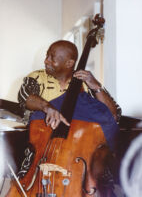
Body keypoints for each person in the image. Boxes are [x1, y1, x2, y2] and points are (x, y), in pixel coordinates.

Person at [18, 40, 121, 196]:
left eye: (52, 57)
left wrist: (96, 86)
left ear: (69, 63)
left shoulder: (86, 83)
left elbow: (114, 115)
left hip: (81, 159)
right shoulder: (36, 78)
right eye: (47, 56)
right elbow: (25, 97)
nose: (46, 60)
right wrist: (48, 108)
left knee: (104, 184)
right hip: (43, 156)